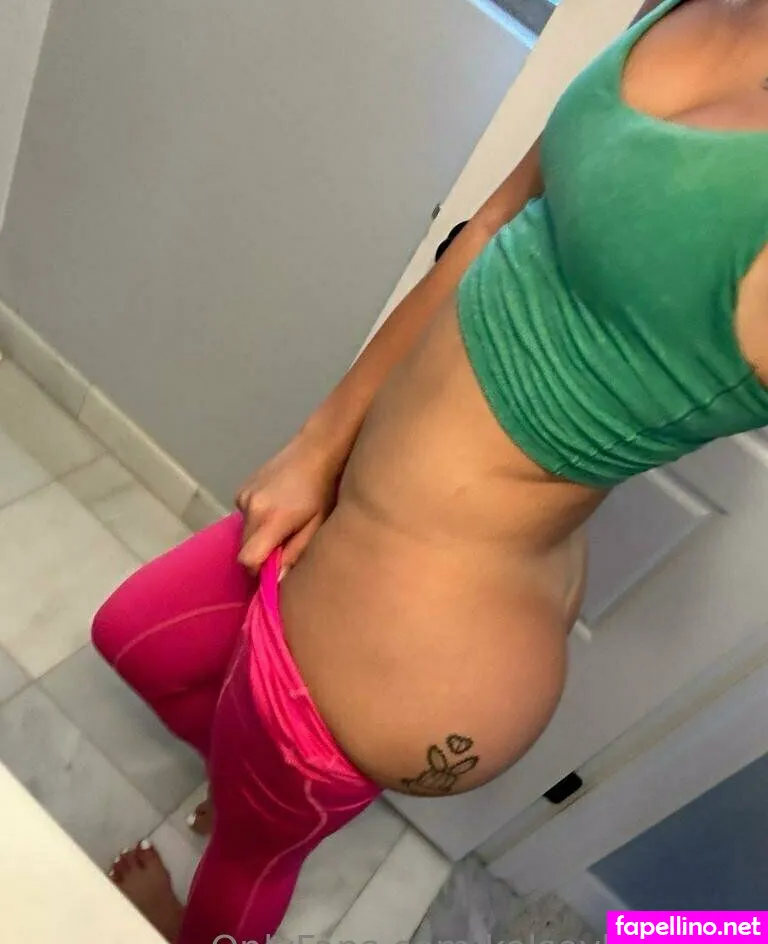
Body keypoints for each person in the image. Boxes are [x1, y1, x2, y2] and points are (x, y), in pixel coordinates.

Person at [92, 0, 768, 940]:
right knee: (133, 636)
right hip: (342, 505)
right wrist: (320, 442)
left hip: (425, 653)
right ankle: (259, 792)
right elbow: (491, 225)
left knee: (248, 856)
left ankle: (209, 894)